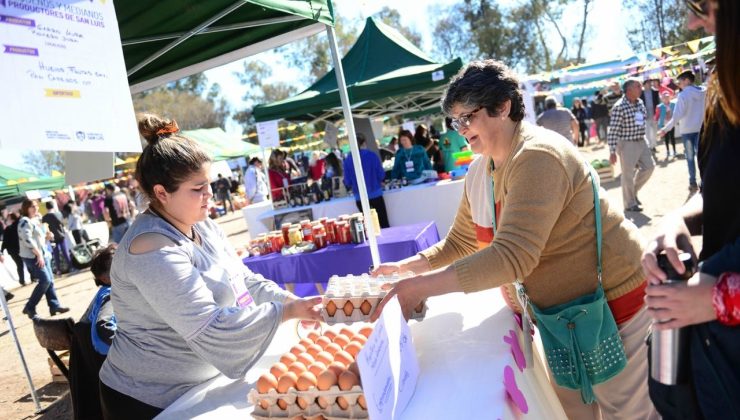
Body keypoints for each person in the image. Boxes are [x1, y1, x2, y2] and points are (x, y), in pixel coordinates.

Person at [371, 60, 655, 420]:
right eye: (455, 122)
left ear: (503, 106)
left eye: (467, 117)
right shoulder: (482, 169)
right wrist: (408, 267)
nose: (461, 130)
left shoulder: (538, 155)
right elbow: (460, 242)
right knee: (574, 412)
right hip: (563, 318)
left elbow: (512, 257)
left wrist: (420, 288)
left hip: (615, 307)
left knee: (627, 412)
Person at [98, 114, 322, 419]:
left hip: (199, 385)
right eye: (198, 188)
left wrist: (290, 301)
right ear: (162, 193)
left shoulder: (202, 225)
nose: (210, 195)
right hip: (149, 398)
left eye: (209, 185)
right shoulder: (152, 247)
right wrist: (284, 313)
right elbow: (208, 325)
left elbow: (243, 280)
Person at [642, 1, 740, 418]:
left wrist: (723, 298)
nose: (692, 22)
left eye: (703, 6)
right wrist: (677, 218)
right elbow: (722, 188)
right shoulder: (725, 82)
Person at [70, 243, 118, 420]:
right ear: (104, 278)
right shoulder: (111, 294)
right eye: (117, 266)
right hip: (107, 363)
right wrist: (128, 347)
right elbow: (103, 325)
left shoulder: (104, 292)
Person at [607, 78, 656, 212]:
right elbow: (614, 130)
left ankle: (632, 193)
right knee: (627, 174)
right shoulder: (619, 107)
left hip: (641, 141)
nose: (641, 88)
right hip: (626, 144)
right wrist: (612, 151)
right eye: (638, 86)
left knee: (649, 167)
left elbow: (641, 120)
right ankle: (629, 204)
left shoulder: (640, 102)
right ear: (629, 90)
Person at [17, 199, 69, 318]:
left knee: (50, 280)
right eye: (32, 206)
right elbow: (27, 240)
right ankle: (30, 307)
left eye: (36, 206)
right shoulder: (24, 222)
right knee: (45, 280)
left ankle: (54, 306)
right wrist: (39, 255)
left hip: (42, 253)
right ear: (26, 208)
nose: (35, 208)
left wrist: (47, 236)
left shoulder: (35, 220)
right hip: (33, 256)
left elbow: (38, 237)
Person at [658, 70, 707, 191]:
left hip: (687, 130)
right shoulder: (704, 91)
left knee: (690, 158)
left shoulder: (683, 95)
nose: (678, 84)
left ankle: (693, 182)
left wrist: (665, 129)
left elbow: (677, 116)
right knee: (703, 156)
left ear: (687, 80)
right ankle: (705, 181)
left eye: (680, 82)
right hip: (702, 128)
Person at [342, 133, 390, 229]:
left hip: (360, 197)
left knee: (369, 228)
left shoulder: (347, 160)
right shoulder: (372, 155)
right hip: (376, 194)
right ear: (364, 143)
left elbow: (347, 182)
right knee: (384, 223)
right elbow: (381, 175)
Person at [42, 201, 72, 275]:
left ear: (46, 207)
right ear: (53, 206)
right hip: (61, 236)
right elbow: (63, 223)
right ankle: (71, 267)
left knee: (55, 254)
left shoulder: (44, 217)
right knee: (65, 252)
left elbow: (44, 228)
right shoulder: (58, 214)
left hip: (52, 238)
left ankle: (58, 270)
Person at [1, 212, 28, 285]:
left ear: (11, 218)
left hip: (13, 251)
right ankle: (33, 277)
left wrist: (2, 251)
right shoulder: (21, 226)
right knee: (27, 262)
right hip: (22, 248)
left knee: (19, 265)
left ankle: (22, 280)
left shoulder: (8, 229)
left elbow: (5, 241)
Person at [654, 87, 677, 158]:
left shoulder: (673, 104)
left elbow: (676, 113)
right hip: (664, 124)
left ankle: (674, 150)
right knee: (666, 138)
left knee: (672, 137)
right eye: (664, 97)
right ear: (662, 98)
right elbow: (657, 115)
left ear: (669, 97)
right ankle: (668, 151)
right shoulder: (659, 106)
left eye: (667, 97)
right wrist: (655, 121)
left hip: (672, 123)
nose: (666, 98)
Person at [641, 79, 661, 154]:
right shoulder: (640, 93)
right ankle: (649, 146)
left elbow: (659, 103)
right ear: (644, 85)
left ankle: (653, 145)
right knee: (647, 132)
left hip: (654, 113)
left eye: (650, 83)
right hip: (645, 115)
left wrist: (658, 113)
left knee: (655, 131)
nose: (650, 84)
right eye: (648, 83)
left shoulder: (655, 92)